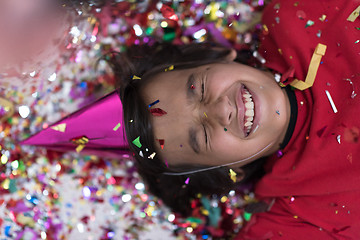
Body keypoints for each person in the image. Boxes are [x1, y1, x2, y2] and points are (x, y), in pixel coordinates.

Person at [110, 0, 360, 239]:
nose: (221, 110)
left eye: (199, 89)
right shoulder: (293, 215)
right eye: (202, 137)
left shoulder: (296, 14)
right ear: (230, 172)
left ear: (218, 57)